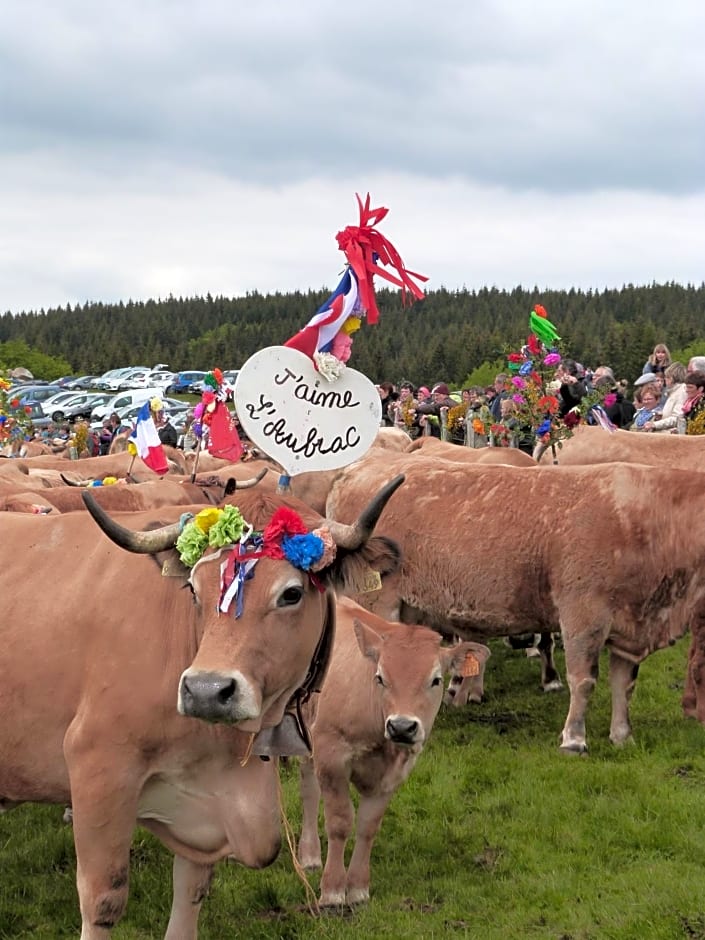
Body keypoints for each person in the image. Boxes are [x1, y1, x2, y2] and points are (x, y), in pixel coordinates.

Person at [643, 362, 688, 433]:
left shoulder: (681, 391)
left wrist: (654, 424)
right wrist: (662, 415)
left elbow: (677, 418)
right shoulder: (673, 392)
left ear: (672, 378)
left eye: (666, 377)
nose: (665, 380)